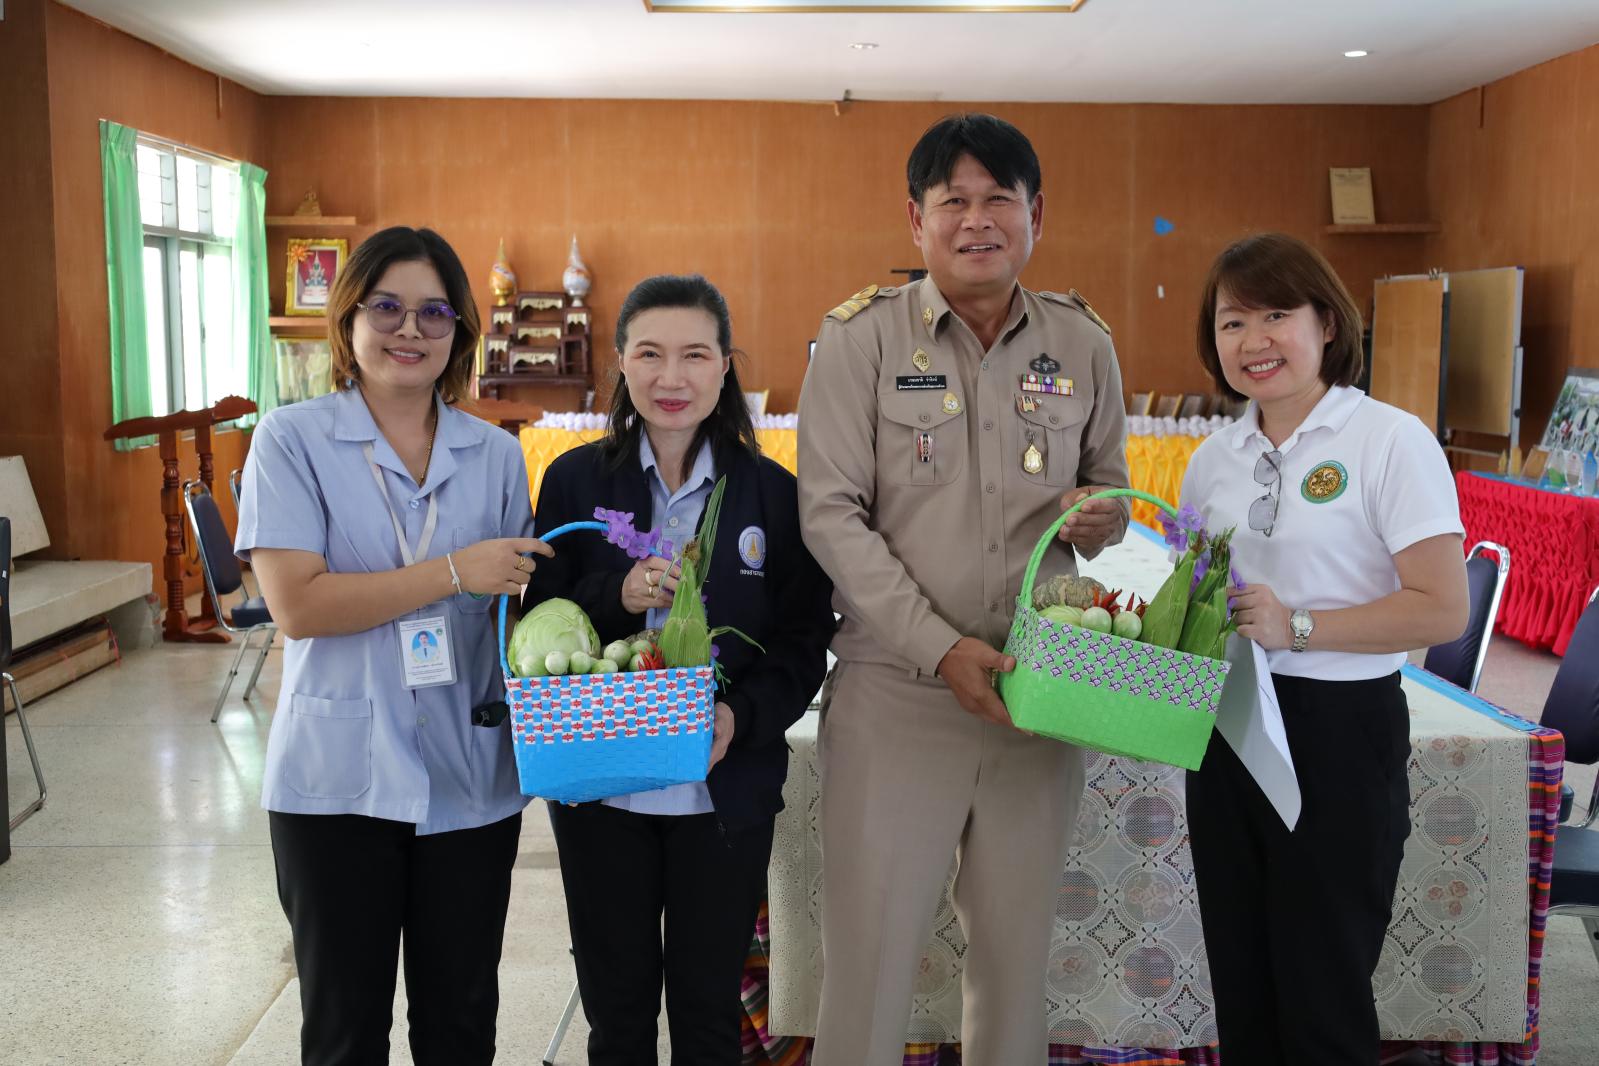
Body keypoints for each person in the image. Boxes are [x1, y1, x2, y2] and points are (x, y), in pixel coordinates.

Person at [796, 113, 1132, 1065]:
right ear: (917, 219)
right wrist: (940, 647)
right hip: (899, 695)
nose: (976, 220)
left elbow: (1110, 489)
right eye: (953, 201)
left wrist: (1103, 519)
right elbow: (829, 516)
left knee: (1017, 970)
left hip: (1038, 695)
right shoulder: (859, 340)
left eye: (998, 200)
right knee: (869, 970)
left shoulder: (1081, 342)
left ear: (1036, 215)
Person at [236, 226, 551, 1066]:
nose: (409, 330)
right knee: (344, 1034)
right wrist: (451, 572)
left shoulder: (496, 455)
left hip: (470, 778)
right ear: (348, 319)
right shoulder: (290, 439)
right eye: (386, 307)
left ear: (459, 331)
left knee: (460, 1028)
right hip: (336, 783)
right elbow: (298, 606)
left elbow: (516, 614)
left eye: (433, 312)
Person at [524, 274, 834, 1065]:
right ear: (620, 363)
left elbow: (803, 640)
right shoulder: (574, 481)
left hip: (720, 793)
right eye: (649, 354)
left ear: (725, 367)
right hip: (599, 785)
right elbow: (538, 619)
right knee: (617, 1018)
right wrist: (617, 595)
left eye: (694, 355)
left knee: (706, 1018)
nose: (672, 377)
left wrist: (741, 716)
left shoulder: (773, 496)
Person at [1179, 232, 1469, 1064]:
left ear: (1327, 324)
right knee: (1241, 982)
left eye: (1276, 314)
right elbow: (1197, 602)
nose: (1255, 340)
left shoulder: (1387, 439)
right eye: (1232, 322)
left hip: (1339, 730)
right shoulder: (1211, 459)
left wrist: (1298, 626)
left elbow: (1442, 607)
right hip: (1227, 729)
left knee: (1322, 988)